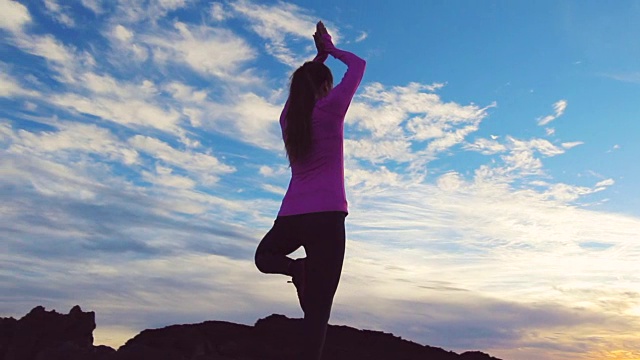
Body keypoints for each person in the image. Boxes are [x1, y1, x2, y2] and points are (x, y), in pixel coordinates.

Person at [254, 21, 366, 359]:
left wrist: (316, 61)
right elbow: (359, 65)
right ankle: (302, 273)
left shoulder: (289, 120)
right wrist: (329, 50)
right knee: (317, 314)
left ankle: (296, 269)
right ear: (325, 88)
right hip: (328, 218)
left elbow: (297, 96)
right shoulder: (330, 110)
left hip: (292, 216)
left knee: (264, 257)